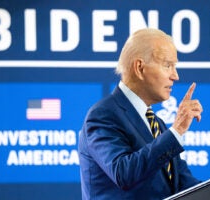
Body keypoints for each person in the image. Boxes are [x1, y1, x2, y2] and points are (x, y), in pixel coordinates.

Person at [78, 28, 203, 199]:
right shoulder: (103, 115)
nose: (175, 76)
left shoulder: (157, 124)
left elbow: (184, 185)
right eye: (168, 65)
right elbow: (123, 173)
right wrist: (176, 131)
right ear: (139, 67)